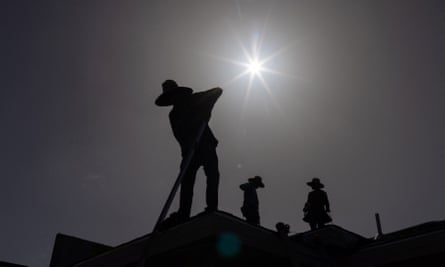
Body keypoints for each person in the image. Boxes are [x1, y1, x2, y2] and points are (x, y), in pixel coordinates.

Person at [155, 80, 223, 221]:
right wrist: (186, 145)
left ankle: (211, 207)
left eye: (173, 94)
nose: (173, 99)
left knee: (212, 175)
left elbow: (218, 90)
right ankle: (183, 213)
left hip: (205, 144)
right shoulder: (173, 115)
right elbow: (178, 134)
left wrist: (205, 110)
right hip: (189, 150)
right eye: (169, 97)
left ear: (178, 93)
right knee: (186, 180)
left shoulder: (194, 98)